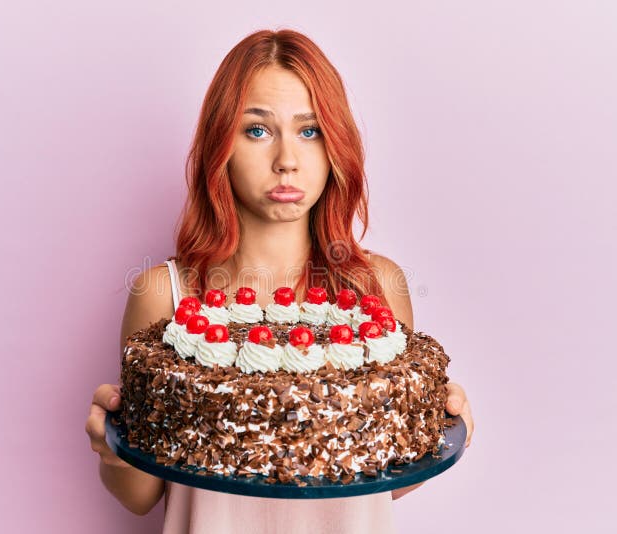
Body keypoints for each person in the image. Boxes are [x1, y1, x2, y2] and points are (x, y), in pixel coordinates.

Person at [85, 28, 474, 533]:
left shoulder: (377, 289)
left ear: (336, 145)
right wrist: (113, 447)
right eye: (258, 130)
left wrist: (433, 431)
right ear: (219, 146)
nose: (287, 160)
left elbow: (383, 476)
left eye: (309, 130)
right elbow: (141, 495)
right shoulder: (166, 294)